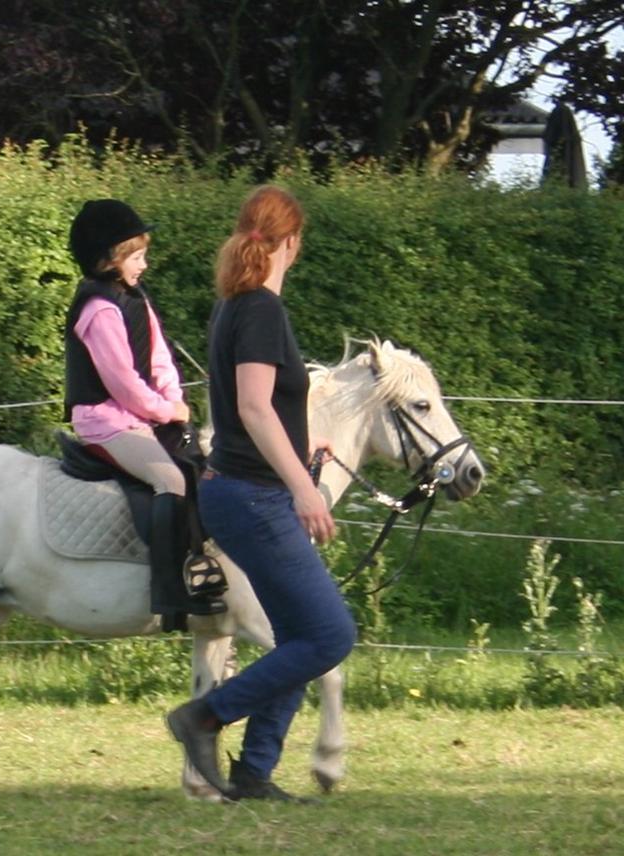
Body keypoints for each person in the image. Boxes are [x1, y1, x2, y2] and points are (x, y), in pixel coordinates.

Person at [166, 185, 357, 802]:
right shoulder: (261, 309)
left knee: (298, 634)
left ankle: (253, 772)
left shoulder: (234, 305)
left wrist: (301, 456)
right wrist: (305, 487)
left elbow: (261, 407)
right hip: (255, 497)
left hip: (248, 488)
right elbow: (251, 405)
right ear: (292, 242)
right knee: (330, 636)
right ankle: (202, 717)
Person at [64, 198, 226, 622]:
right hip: (105, 421)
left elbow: (159, 358)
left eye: (143, 254)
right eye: (136, 256)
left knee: (200, 467)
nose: (144, 264)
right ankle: (170, 593)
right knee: (170, 479)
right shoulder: (97, 309)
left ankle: (203, 564)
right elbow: (122, 382)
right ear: (109, 259)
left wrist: (175, 400)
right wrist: (164, 411)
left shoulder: (136, 297)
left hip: (142, 415)